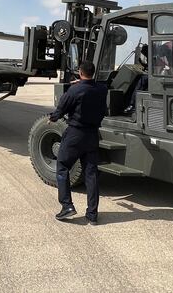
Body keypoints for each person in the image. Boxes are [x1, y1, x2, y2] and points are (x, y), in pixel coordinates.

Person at [48, 60, 108, 225]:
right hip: (92, 136)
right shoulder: (102, 90)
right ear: (93, 73)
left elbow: (61, 109)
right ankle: (92, 215)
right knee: (91, 174)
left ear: (80, 73)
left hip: (75, 134)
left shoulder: (75, 90)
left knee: (62, 167)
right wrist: (83, 82)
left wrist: (52, 118)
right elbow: (98, 85)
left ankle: (67, 206)